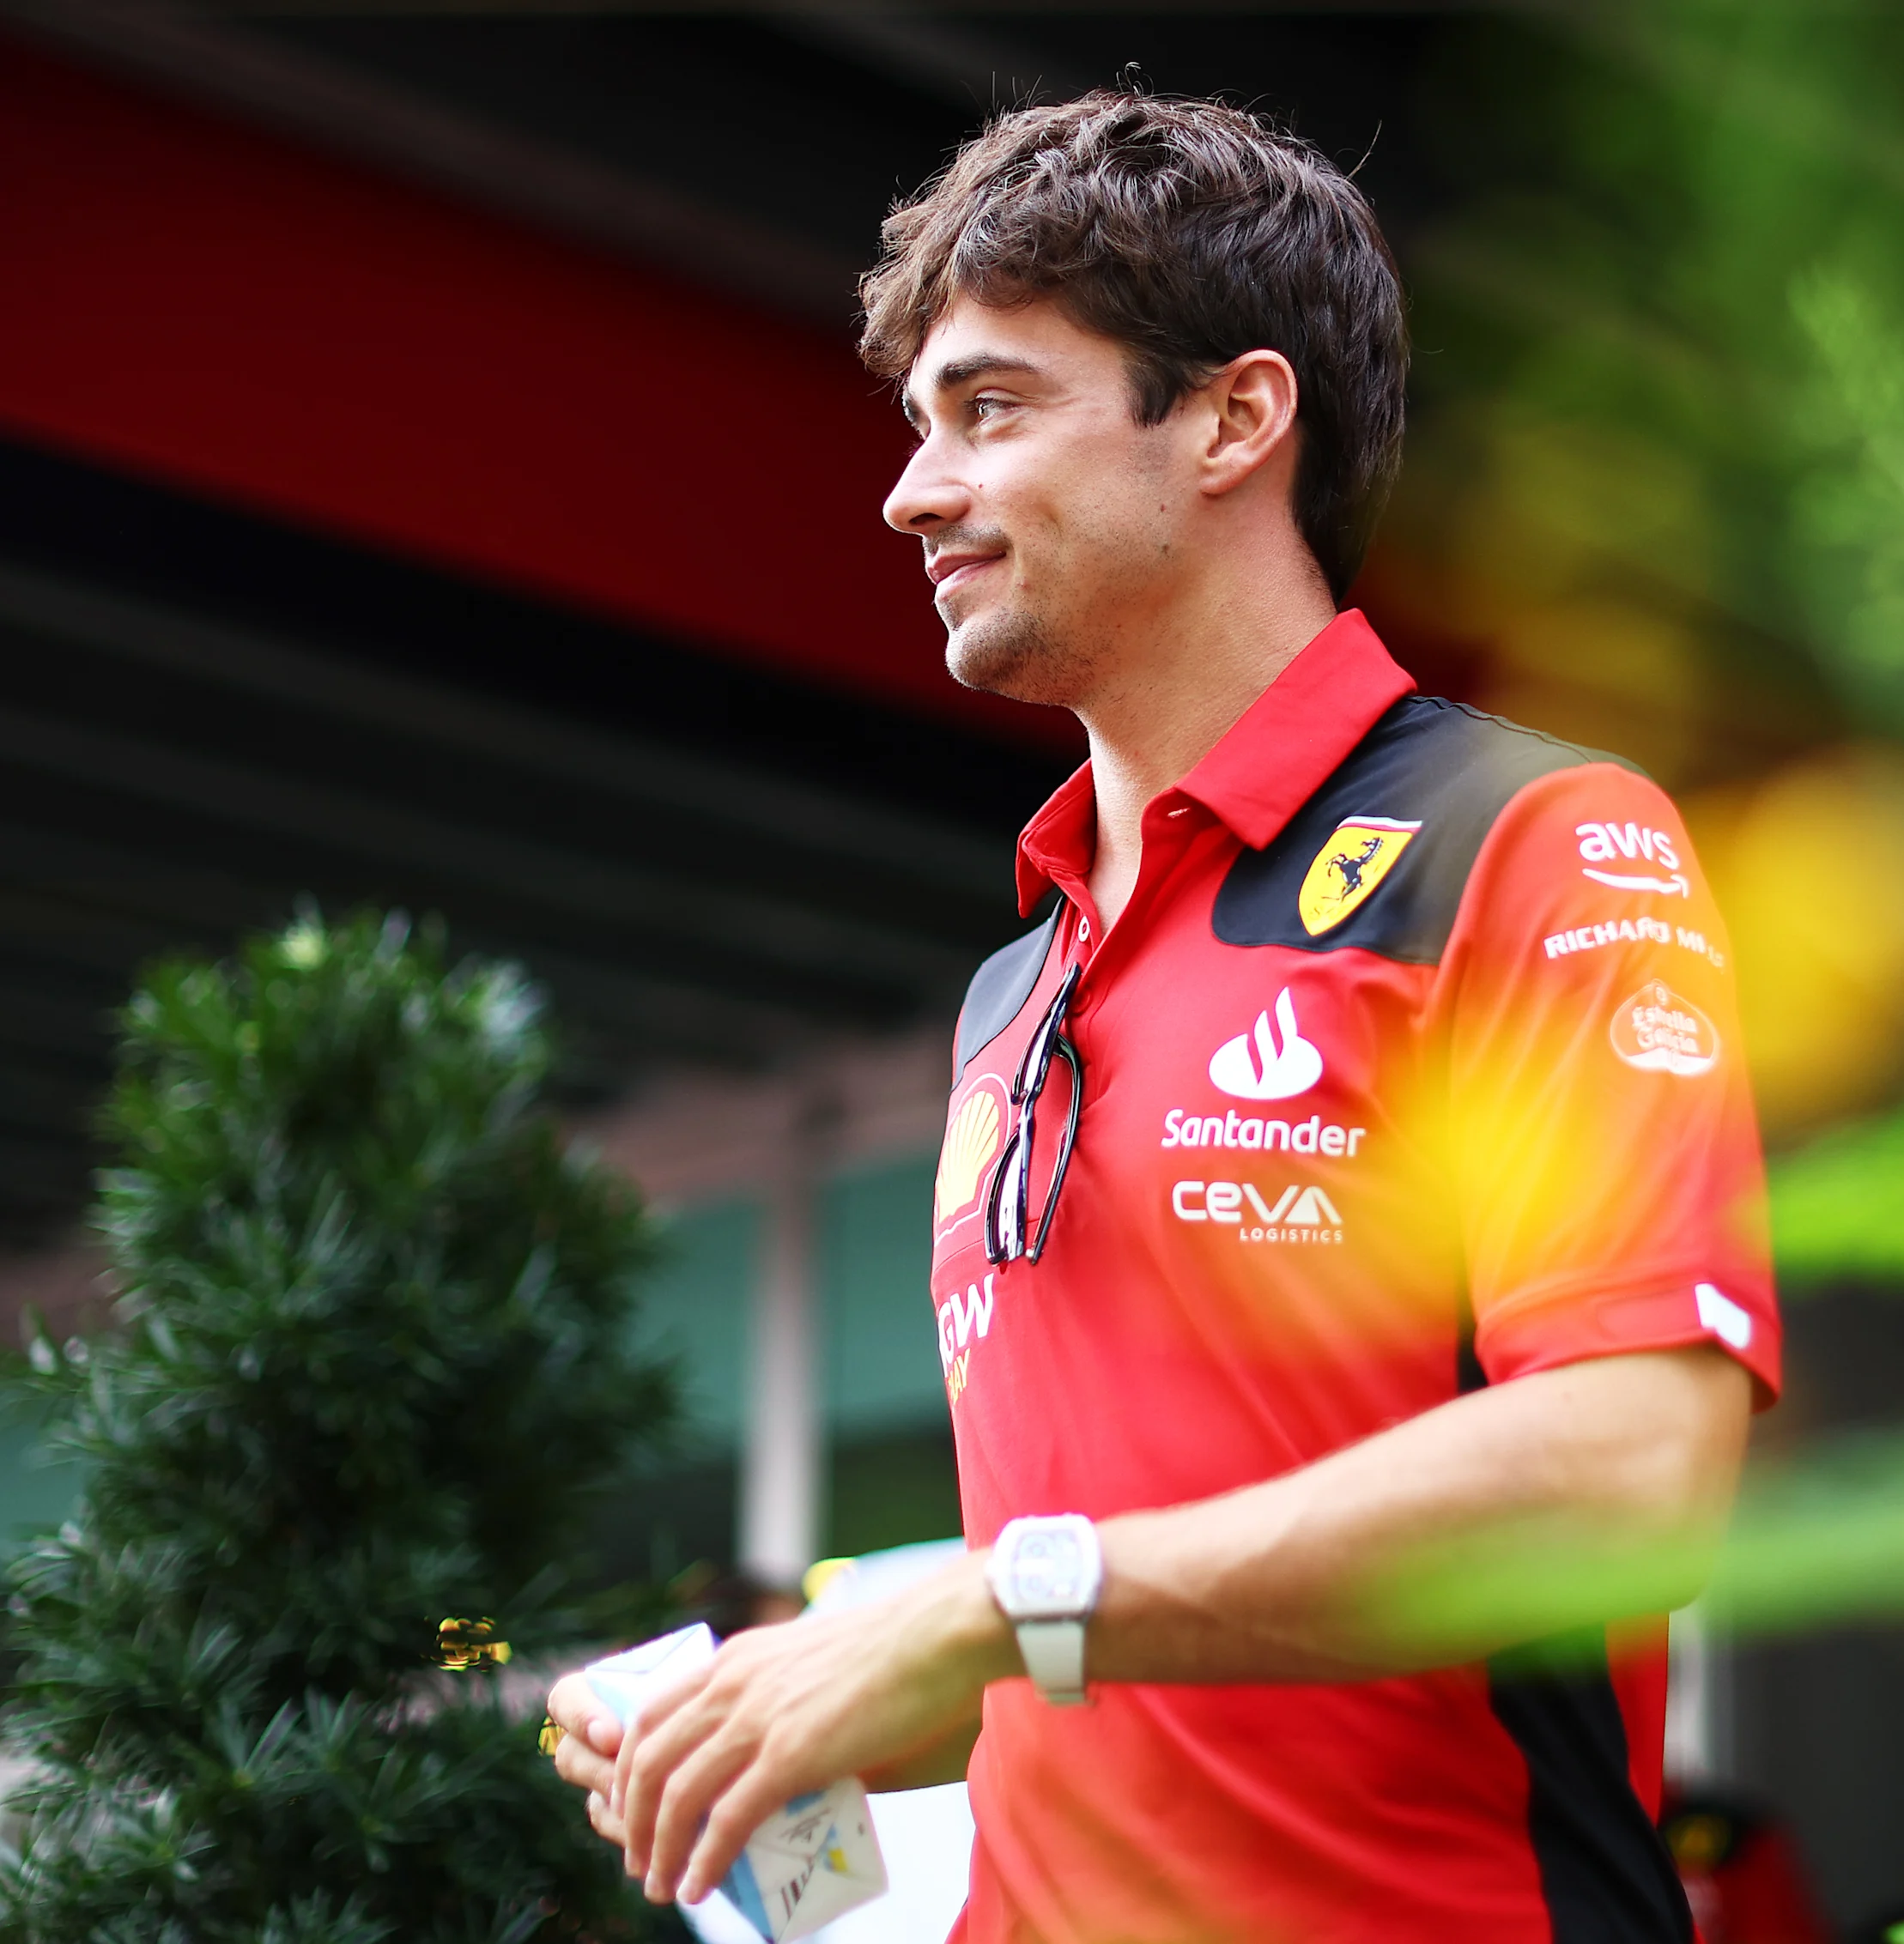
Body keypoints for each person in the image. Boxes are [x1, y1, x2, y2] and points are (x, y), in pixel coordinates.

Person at [544, 89, 1781, 1944]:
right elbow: (1091, 1653)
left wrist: (991, 1602)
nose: (911, 492)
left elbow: (1631, 1471)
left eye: (990, 408)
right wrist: (782, 1706)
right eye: (921, 425)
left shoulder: (1528, 840)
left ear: (1231, 419)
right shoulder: (1013, 988)